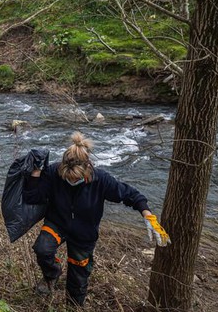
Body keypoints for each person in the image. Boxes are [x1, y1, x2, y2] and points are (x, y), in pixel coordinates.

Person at [22, 132, 170, 308]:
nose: (71, 180)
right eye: (67, 177)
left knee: (78, 279)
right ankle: (52, 274)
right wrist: (36, 173)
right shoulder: (54, 172)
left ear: (87, 169)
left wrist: (148, 215)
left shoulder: (101, 180)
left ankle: (73, 306)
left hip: (84, 234)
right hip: (57, 223)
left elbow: (131, 195)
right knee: (42, 249)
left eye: (76, 178)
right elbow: (33, 197)